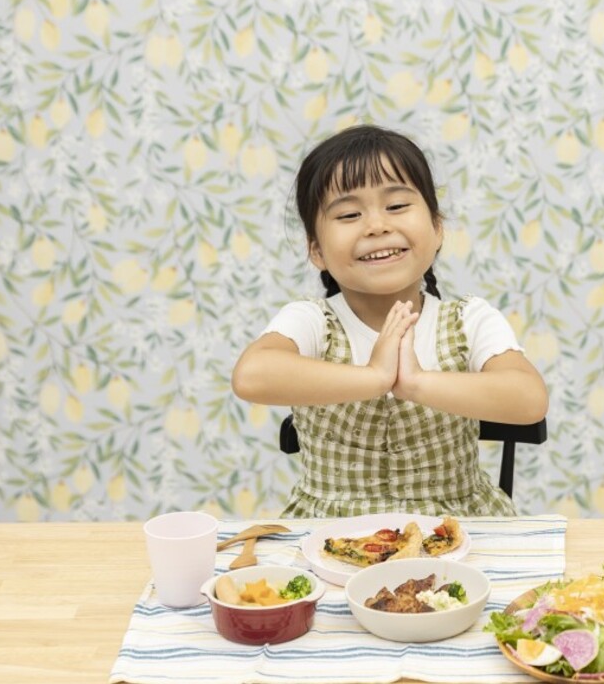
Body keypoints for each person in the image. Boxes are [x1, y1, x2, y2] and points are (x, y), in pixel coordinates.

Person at [232, 125, 548, 518]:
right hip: (331, 531)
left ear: (436, 230)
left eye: (396, 206)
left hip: (459, 529)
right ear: (317, 251)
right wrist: (375, 377)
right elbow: (252, 375)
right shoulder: (312, 320)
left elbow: (529, 399)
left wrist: (416, 383)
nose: (377, 226)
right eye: (349, 214)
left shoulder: (468, 319)